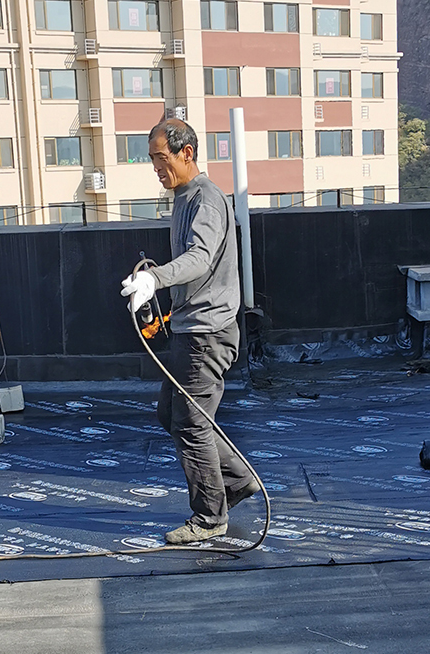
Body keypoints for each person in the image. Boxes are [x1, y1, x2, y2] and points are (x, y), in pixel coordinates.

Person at [120, 119, 260, 544]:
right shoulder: (184, 198)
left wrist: (155, 278)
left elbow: (200, 258)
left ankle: (210, 517)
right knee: (172, 414)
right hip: (190, 327)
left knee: (190, 423)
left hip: (207, 333)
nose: (156, 168)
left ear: (187, 153)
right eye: (152, 160)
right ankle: (236, 481)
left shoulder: (206, 200)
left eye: (161, 158)